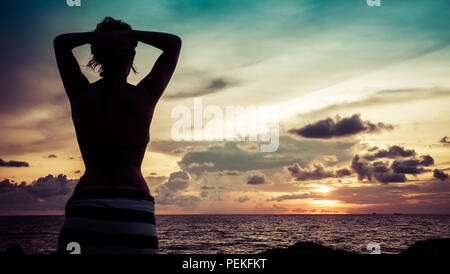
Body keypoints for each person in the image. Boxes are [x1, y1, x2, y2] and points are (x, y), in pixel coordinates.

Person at [54, 17, 181, 254]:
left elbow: (61, 43)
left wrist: (101, 39)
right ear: (131, 57)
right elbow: (173, 43)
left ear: (96, 58)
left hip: (86, 207)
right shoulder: (145, 95)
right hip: (133, 209)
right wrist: (127, 36)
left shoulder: (81, 94)